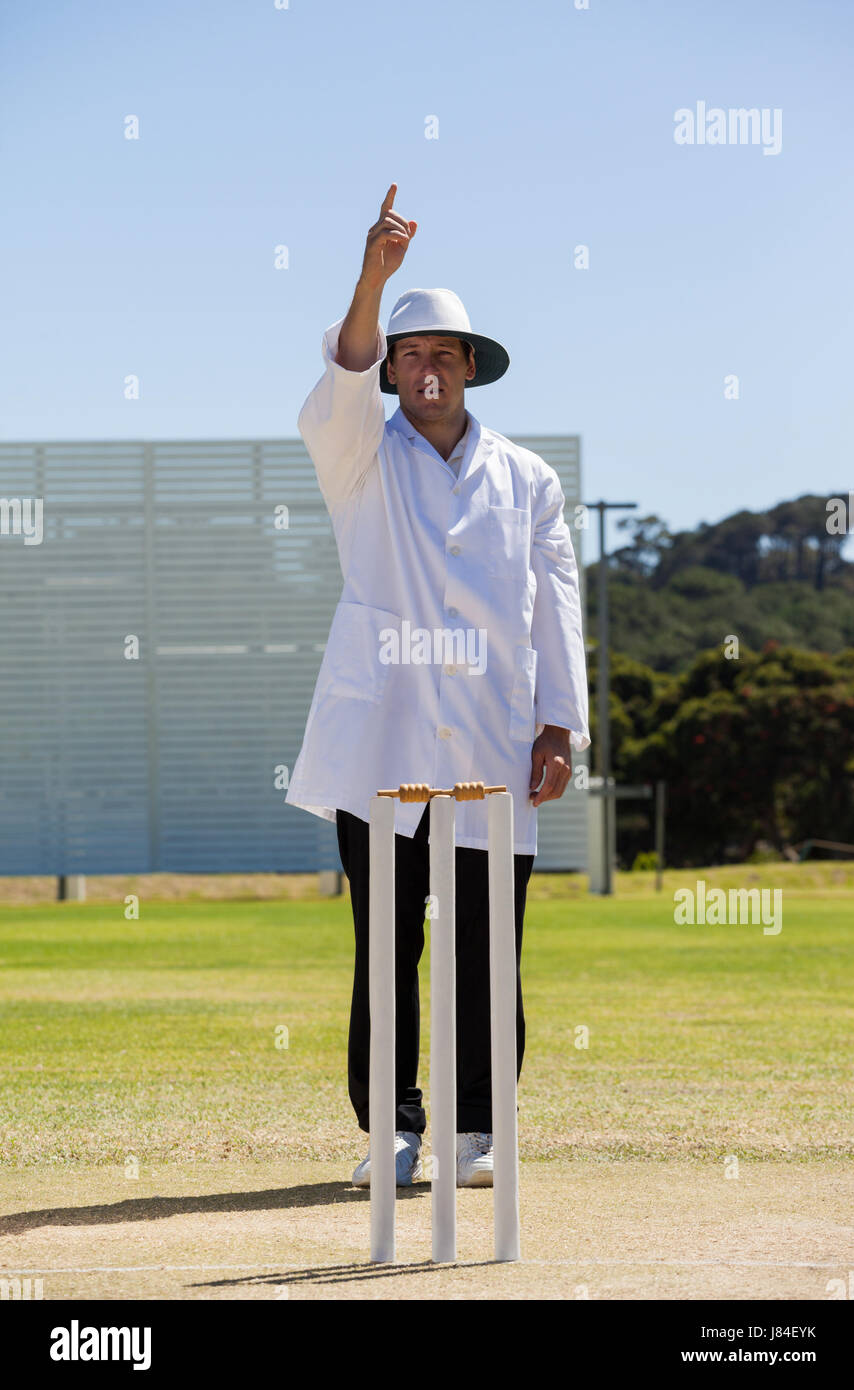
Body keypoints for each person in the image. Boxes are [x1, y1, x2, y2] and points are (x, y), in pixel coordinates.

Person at [286, 183, 590, 1187]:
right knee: (387, 949)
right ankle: (394, 1132)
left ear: (469, 369)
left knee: (482, 945)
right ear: (393, 370)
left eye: (443, 355)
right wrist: (375, 274)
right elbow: (340, 374)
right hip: (379, 738)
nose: (426, 369)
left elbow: (555, 602)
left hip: (494, 744)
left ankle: (475, 1129)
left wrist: (558, 727)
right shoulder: (356, 455)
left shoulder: (526, 478)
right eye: (409, 354)